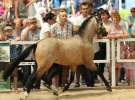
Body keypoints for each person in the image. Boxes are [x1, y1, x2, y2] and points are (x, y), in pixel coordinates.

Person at [69, 1, 95, 87]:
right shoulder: (77, 19)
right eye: (83, 9)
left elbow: (94, 30)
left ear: (89, 9)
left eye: (86, 8)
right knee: (78, 65)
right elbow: (75, 29)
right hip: (79, 47)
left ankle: (88, 81)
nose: (85, 10)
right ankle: (77, 81)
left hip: (89, 46)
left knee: (89, 64)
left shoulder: (92, 18)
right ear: (80, 10)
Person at [20, 17, 40, 89]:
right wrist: (28, 29)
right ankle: (25, 86)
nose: (34, 24)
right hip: (27, 55)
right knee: (26, 72)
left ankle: (37, 86)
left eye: (35, 22)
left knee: (37, 71)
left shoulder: (39, 31)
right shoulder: (24, 31)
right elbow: (24, 42)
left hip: (37, 55)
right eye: (32, 23)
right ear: (28, 24)